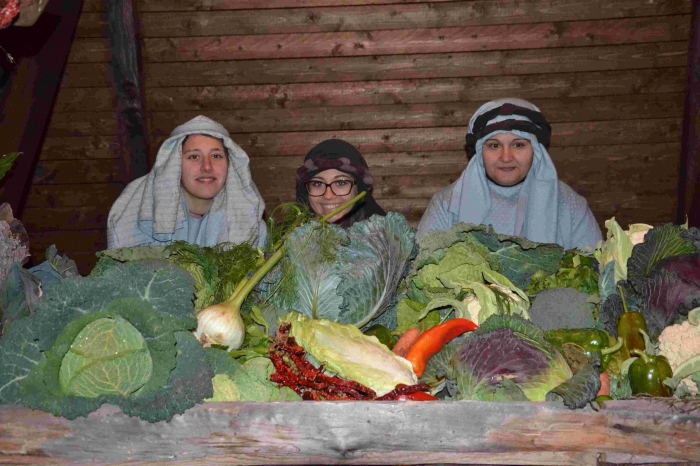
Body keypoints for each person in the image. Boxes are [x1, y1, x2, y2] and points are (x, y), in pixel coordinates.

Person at [416, 98, 602, 250]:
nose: (506, 157)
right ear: (480, 152)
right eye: (494, 145)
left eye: (518, 145)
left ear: (536, 151)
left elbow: (595, 273)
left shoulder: (570, 206)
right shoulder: (445, 206)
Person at [107, 115, 266, 249]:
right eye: (194, 157)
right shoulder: (136, 217)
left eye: (216, 156)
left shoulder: (251, 225)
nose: (207, 167)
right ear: (175, 165)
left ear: (229, 164)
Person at [295, 139, 385, 228]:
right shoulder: (289, 238)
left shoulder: (386, 236)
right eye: (317, 184)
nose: (328, 196)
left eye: (341, 183)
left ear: (359, 190)